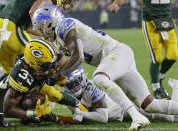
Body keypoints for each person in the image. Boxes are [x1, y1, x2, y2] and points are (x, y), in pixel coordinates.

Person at [32, 5, 178, 130]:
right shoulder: (58, 40)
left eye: (42, 26)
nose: (42, 31)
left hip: (117, 53)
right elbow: (59, 64)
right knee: (150, 105)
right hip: (115, 60)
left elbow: (78, 57)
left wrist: (57, 75)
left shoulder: (64, 25)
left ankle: (137, 117)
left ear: (51, 21)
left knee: (99, 78)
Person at [0, 0, 75, 127]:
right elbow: (32, 12)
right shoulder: (48, 1)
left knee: (10, 76)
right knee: (45, 59)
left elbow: (28, 27)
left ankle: (0, 113)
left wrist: (46, 35)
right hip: (9, 28)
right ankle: (66, 90)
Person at [108, 0, 178, 99]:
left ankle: (160, 77)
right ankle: (156, 89)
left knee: (173, 55)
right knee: (156, 58)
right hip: (150, 23)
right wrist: (116, 3)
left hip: (166, 22)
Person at [64, 66, 178, 123]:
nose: (74, 87)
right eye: (70, 84)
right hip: (119, 112)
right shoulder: (68, 94)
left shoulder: (90, 88)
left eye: (75, 82)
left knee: (169, 118)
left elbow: (103, 117)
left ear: (82, 78)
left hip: (124, 106)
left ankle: (177, 87)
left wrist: (82, 115)